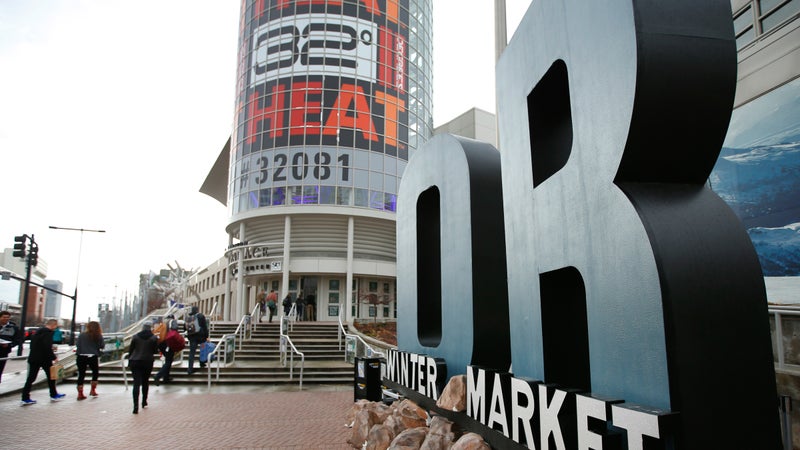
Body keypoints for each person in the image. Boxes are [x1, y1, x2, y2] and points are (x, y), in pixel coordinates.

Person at [21, 319, 65, 405]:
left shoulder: (38, 332)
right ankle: (53, 394)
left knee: (31, 378)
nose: (56, 328)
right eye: (56, 326)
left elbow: (33, 345)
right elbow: (47, 346)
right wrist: (53, 357)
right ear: (54, 325)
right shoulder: (48, 333)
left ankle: (25, 397)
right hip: (44, 359)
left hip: (34, 358)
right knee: (51, 377)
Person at [127, 320, 158, 414]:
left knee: (136, 383)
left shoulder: (135, 337)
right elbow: (155, 351)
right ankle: (144, 401)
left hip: (135, 361)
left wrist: (129, 359)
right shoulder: (153, 338)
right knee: (145, 381)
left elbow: (131, 350)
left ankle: (135, 406)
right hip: (147, 361)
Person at [75, 321, 104, 400]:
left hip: (81, 356)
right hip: (92, 356)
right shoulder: (98, 335)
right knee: (95, 372)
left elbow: (78, 345)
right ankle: (93, 390)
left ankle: (80, 393)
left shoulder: (82, 335)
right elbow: (102, 346)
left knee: (81, 374)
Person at [154, 318, 183, 385]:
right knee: (169, 361)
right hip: (168, 343)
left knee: (168, 360)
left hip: (161, 344)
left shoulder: (164, 323)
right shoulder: (173, 322)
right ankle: (158, 376)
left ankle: (166, 377)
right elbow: (174, 330)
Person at [0, 310, 23, 383]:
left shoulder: (13, 328)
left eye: (7, 318)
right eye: (4, 317)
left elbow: (19, 339)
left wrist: (10, 344)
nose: (6, 319)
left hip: (4, 351)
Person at [185, 306, 208, 374]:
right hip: (201, 337)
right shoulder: (201, 316)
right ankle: (202, 362)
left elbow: (185, 327)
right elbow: (205, 326)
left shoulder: (189, 317)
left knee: (192, 353)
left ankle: (190, 369)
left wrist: (189, 336)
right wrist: (206, 336)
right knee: (203, 350)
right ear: (197, 310)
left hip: (192, 337)